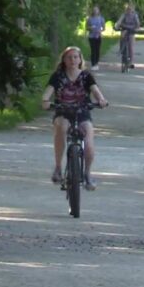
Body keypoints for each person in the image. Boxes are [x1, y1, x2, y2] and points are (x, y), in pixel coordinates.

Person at [41, 47, 108, 191]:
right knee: (62, 127)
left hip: (82, 112)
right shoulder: (58, 76)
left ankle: (87, 174)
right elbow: (48, 92)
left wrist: (101, 100)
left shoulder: (86, 76)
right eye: (69, 57)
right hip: (63, 111)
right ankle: (58, 168)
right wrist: (45, 100)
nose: (73, 60)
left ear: (80, 60)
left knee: (89, 143)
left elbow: (96, 91)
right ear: (64, 60)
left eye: (76, 57)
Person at [115, 3, 140, 69]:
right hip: (124, 29)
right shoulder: (124, 15)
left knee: (131, 46)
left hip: (131, 30)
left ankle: (131, 62)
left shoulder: (135, 15)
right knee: (122, 36)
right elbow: (119, 21)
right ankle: (121, 50)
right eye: (128, 9)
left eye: (130, 9)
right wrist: (116, 26)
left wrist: (137, 28)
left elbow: (138, 24)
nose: (129, 10)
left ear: (133, 10)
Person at [85, 6, 105, 71]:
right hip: (91, 36)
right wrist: (90, 28)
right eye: (94, 10)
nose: (95, 11)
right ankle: (93, 64)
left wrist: (100, 30)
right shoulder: (89, 19)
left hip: (98, 36)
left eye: (96, 10)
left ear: (98, 11)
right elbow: (87, 27)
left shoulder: (101, 19)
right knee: (93, 50)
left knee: (97, 50)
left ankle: (96, 63)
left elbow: (104, 28)